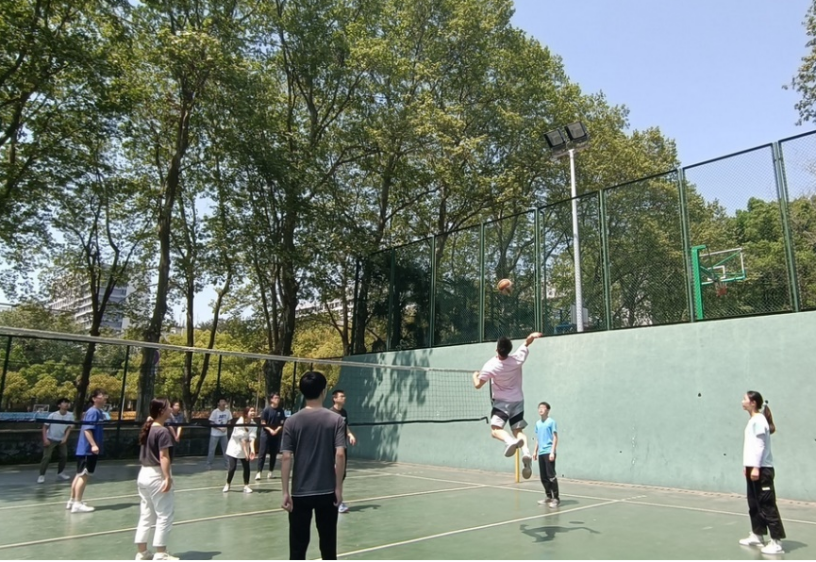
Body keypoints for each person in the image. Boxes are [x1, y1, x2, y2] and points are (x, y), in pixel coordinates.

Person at [281, 371, 346, 561]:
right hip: (327, 492)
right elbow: (340, 454)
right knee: (328, 545)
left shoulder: (291, 421)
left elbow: (286, 457)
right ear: (324, 391)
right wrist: (338, 488)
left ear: (302, 392)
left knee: (297, 548)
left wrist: (285, 492)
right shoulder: (336, 420)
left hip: (300, 493)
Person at [473, 332, 542, 479]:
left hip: (501, 403)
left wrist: (475, 376)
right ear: (509, 350)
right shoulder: (517, 359)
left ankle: (509, 441)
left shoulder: (490, 366)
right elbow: (527, 342)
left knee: (495, 430)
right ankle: (526, 452)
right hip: (518, 401)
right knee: (518, 430)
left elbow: (478, 385)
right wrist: (531, 336)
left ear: (497, 349)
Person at [738, 390, 786, 555]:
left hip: (762, 469)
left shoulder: (759, 420)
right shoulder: (753, 420)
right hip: (753, 467)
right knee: (754, 503)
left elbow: (760, 445)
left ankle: (776, 542)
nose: (742, 401)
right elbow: (751, 447)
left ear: (753, 403)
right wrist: (748, 466)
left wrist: (756, 467)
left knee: (767, 505)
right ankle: (757, 535)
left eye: (744, 399)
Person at [134, 398, 179, 562]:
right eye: (168, 407)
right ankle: (161, 553)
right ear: (161, 411)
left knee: (146, 515)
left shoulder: (149, 428)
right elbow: (164, 456)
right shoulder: (162, 431)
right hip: (156, 474)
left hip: (143, 474)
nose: (171, 409)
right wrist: (167, 477)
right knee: (164, 514)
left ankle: (142, 552)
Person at [68, 389, 108, 513]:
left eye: (105, 396)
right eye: (101, 396)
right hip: (87, 450)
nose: (104, 398)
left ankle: (72, 500)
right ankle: (77, 503)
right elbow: (87, 429)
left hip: (86, 449)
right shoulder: (93, 412)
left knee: (79, 474)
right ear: (94, 399)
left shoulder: (98, 412)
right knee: (83, 475)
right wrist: (93, 445)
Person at [330, 389, 356, 513]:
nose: (344, 398)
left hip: (343, 447)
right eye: (341, 396)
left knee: (342, 475)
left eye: (344, 396)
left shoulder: (344, 412)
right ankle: (337, 501)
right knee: (335, 475)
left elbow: (345, 426)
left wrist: (350, 435)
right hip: (333, 449)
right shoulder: (330, 413)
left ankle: (337, 499)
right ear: (335, 398)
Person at [38, 397, 74, 483]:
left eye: (67, 402)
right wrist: (45, 439)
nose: (66, 404)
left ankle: (60, 473)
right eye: (64, 402)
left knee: (64, 456)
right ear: (59, 405)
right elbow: (44, 427)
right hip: (50, 439)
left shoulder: (70, 415)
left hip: (61, 439)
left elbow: (69, 428)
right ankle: (41, 475)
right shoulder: (53, 415)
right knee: (47, 457)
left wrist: (65, 438)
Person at [223, 406, 257, 493]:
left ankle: (246, 486)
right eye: (251, 411)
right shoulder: (239, 422)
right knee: (232, 468)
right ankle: (227, 484)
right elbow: (242, 440)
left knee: (246, 467)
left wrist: (252, 451)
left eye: (254, 411)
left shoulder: (254, 424)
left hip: (245, 448)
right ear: (246, 413)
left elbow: (252, 438)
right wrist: (246, 453)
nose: (253, 412)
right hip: (234, 448)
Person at [533, 402, 560, 507]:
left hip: (549, 451)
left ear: (547, 410)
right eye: (539, 407)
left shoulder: (551, 422)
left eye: (543, 408)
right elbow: (538, 439)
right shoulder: (538, 423)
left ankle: (556, 498)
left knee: (551, 476)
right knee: (543, 477)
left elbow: (555, 437)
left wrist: (552, 451)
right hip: (541, 453)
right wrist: (535, 451)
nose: (540, 409)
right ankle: (548, 497)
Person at [257, 394, 285, 481]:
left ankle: (270, 472)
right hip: (266, 434)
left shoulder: (281, 410)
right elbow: (263, 422)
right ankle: (259, 472)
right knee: (262, 453)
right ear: (271, 400)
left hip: (276, 435)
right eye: (275, 398)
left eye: (278, 398)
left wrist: (276, 430)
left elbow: (281, 423)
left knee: (273, 453)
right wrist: (270, 430)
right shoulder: (266, 410)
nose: (277, 399)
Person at [206, 397, 231, 470]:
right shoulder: (215, 412)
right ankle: (209, 464)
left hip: (224, 434)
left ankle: (227, 464)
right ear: (218, 403)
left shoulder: (228, 412)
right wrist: (219, 428)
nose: (223, 403)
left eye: (224, 401)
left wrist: (226, 427)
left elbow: (229, 421)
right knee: (212, 450)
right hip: (215, 434)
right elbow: (211, 422)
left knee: (226, 450)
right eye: (221, 401)